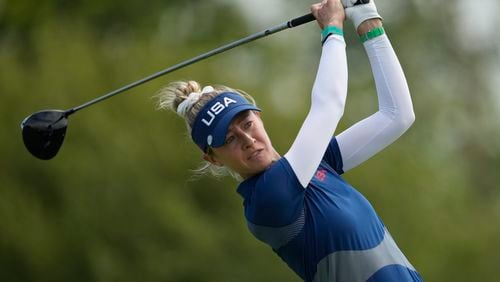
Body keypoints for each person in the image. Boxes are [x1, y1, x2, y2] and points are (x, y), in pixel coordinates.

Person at [156, 0, 423, 281]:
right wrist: (332, 30)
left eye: (247, 124)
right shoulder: (267, 200)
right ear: (212, 158)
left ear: (259, 118)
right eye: (229, 138)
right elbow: (328, 107)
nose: (247, 139)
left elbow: (397, 116)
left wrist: (366, 16)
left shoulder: (317, 165)